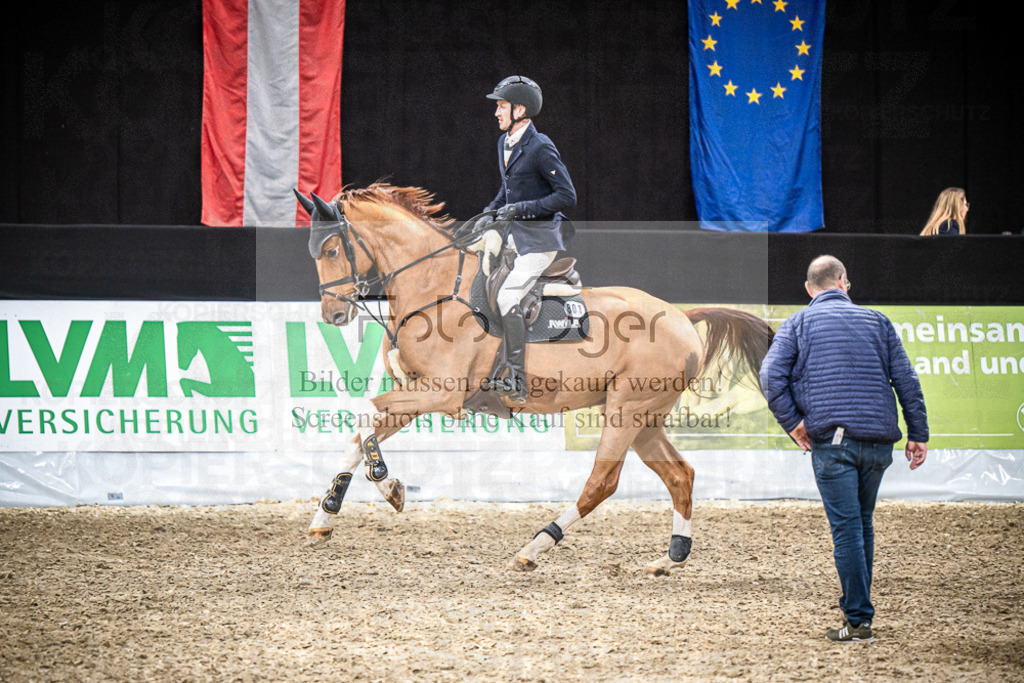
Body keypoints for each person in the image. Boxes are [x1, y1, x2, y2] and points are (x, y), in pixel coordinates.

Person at [759, 255, 929, 643]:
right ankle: (859, 612)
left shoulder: (799, 323)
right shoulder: (878, 321)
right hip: (878, 444)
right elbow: (907, 380)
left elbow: (770, 375)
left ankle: (858, 620)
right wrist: (918, 432)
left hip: (832, 442)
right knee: (863, 523)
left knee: (848, 529)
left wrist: (793, 423)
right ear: (843, 282)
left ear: (809, 289)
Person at [472, 75, 577, 402]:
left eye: (501, 106)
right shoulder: (505, 143)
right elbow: (507, 191)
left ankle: (518, 380)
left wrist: (520, 210)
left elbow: (567, 196)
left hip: (540, 242)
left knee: (506, 298)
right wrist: (488, 213)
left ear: (520, 109)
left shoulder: (540, 145)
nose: (496, 113)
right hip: (514, 239)